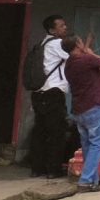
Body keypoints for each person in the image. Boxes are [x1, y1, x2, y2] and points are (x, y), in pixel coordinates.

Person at [61, 35, 100, 192]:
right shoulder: (86, 59)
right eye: (80, 41)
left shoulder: (69, 64)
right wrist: (90, 53)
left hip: (79, 109)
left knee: (88, 145)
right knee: (98, 142)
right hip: (93, 106)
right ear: (78, 45)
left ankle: (94, 180)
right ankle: (85, 180)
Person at [29, 14, 70, 178]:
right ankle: (54, 169)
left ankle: (37, 168)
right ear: (52, 30)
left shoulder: (41, 44)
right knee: (56, 132)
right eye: (61, 26)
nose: (65, 28)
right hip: (53, 92)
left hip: (38, 93)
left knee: (40, 131)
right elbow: (74, 57)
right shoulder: (57, 43)